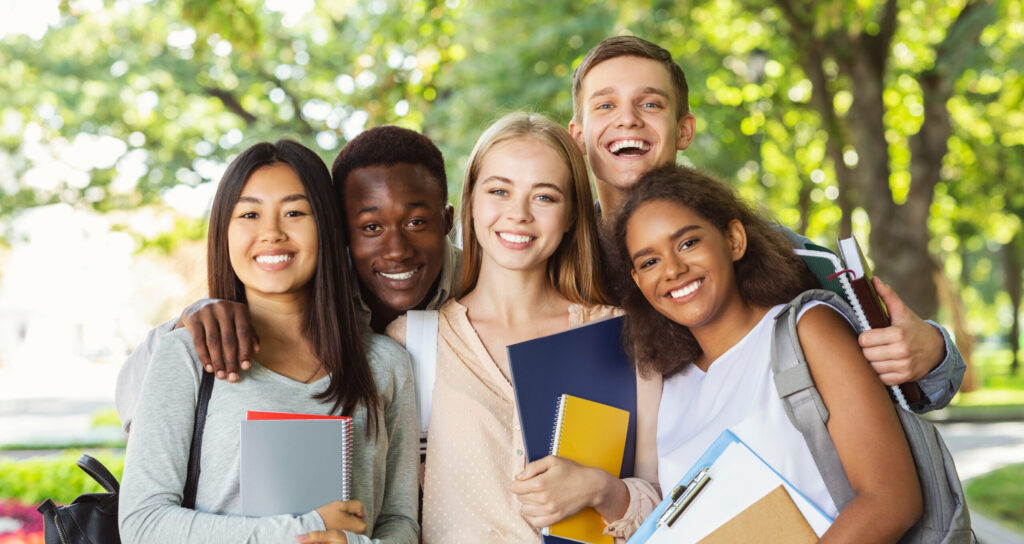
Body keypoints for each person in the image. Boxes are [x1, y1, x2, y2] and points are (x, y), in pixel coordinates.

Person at [567, 35, 965, 412]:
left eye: (650, 104)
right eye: (605, 106)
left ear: (684, 130)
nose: (628, 120)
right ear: (578, 137)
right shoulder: (555, 260)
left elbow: (903, 385)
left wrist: (930, 353)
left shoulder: (777, 253)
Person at [117, 140, 419, 544]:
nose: (272, 233)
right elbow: (143, 523)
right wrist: (304, 530)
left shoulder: (386, 364)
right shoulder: (186, 355)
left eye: (295, 212)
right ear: (224, 229)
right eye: (249, 214)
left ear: (326, 228)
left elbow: (400, 520)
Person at [384, 112, 661, 542]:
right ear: (471, 202)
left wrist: (601, 490)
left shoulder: (623, 336)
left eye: (545, 197)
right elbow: (390, 513)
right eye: (499, 191)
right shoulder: (413, 343)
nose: (518, 215)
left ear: (571, 214)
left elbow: (668, 504)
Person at [616, 164, 923, 541]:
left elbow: (891, 500)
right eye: (650, 261)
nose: (673, 269)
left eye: (687, 243)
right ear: (638, 281)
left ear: (734, 240)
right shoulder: (669, 385)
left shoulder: (807, 330)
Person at [115, 126, 460, 431]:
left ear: (447, 221)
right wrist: (189, 322)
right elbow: (134, 404)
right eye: (370, 227)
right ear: (338, 230)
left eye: (416, 223)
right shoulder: (301, 291)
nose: (396, 250)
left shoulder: (480, 286)